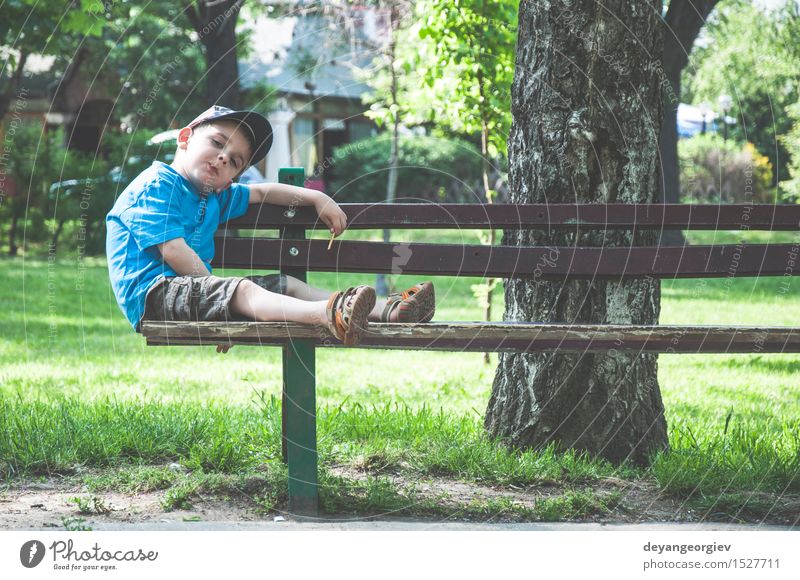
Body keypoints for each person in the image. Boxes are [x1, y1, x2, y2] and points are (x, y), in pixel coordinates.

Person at [106, 106, 435, 350]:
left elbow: (263, 191)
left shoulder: (217, 195)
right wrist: (225, 308)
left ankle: (388, 310)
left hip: (193, 290)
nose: (223, 158)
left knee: (285, 284)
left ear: (232, 178)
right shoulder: (156, 185)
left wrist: (315, 197)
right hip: (153, 295)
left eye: (234, 161)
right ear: (185, 138)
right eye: (217, 143)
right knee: (242, 290)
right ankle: (331, 313)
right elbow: (174, 251)